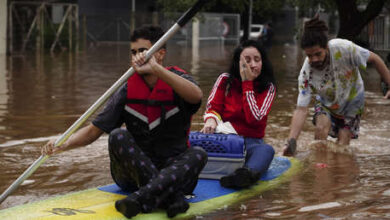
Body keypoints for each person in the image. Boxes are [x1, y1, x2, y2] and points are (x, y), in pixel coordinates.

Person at [41, 25, 207, 218]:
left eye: (143, 51)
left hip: (174, 172)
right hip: (133, 175)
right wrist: (64, 143)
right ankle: (171, 199)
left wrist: (156, 69)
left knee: (199, 154)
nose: (136, 57)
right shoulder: (126, 89)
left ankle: (140, 199)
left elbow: (196, 96)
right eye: (133, 52)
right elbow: (93, 131)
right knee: (118, 136)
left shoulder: (178, 80)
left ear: (160, 54)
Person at [283, 15, 390, 156]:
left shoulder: (343, 48)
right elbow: (301, 110)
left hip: (353, 101)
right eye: (310, 56)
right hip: (326, 102)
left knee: (342, 146)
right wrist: (291, 142)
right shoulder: (306, 75)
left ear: (326, 47)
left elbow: (375, 59)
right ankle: (320, 169)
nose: (314, 59)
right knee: (321, 130)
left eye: (318, 54)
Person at [200, 40, 276, 189]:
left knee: (267, 150)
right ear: (237, 63)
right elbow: (213, 106)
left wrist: (247, 84)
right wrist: (211, 120)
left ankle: (245, 175)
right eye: (247, 61)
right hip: (224, 139)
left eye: (257, 60)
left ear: (263, 62)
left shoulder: (268, 87)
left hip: (251, 144)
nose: (252, 65)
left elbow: (255, 119)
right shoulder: (225, 80)